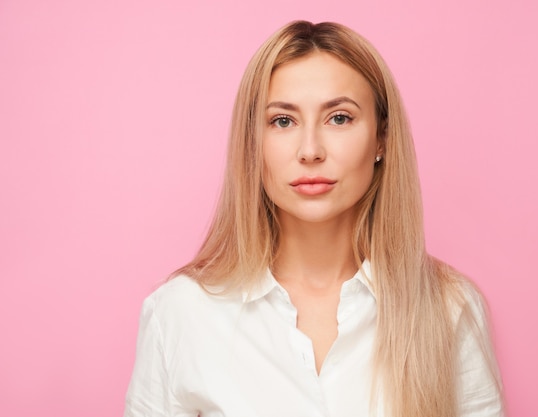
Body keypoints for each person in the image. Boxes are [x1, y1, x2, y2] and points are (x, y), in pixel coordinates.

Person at [124, 20, 504, 417]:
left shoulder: (450, 308)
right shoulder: (180, 313)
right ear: (253, 143)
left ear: (382, 140)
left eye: (339, 118)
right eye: (282, 121)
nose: (310, 151)